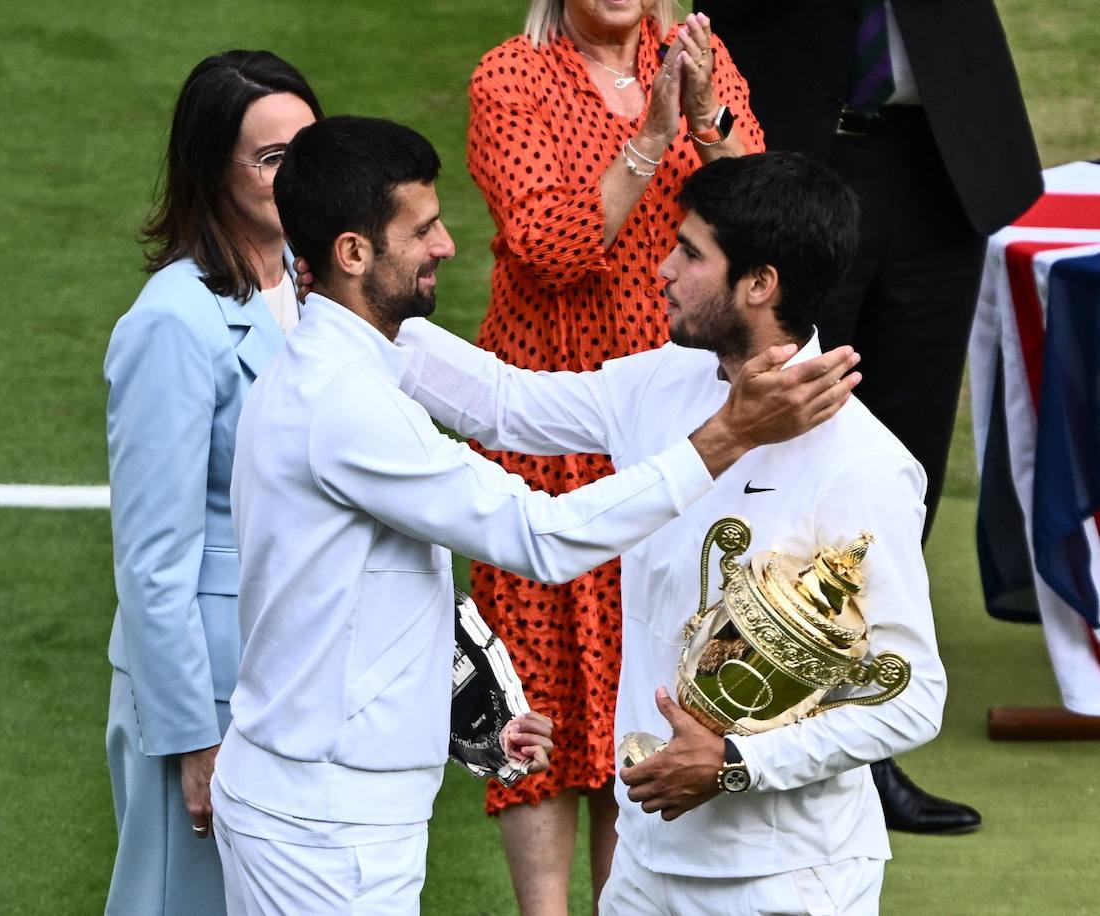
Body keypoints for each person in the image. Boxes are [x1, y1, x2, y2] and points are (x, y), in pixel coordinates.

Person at [210, 117, 860, 915]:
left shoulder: (365, 351)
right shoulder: (344, 401)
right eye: (424, 229)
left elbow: (502, 403)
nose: (448, 245)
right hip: (324, 824)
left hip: (335, 807)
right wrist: (728, 435)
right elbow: (538, 536)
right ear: (353, 254)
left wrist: (450, 717)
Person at [396, 151, 944, 914]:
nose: (660, 269)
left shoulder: (864, 465)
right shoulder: (661, 382)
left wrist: (735, 761)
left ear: (760, 284)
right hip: (645, 869)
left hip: (788, 883)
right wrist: (349, 310)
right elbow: (501, 402)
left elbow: (910, 698)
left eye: (689, 252)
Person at [692, 0, 1042, 836]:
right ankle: (744, 711)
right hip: (794, 147)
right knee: (787, 434)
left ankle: (858, 734)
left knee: (902, 450)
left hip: (940, 158)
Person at [464, 1, 762, 904]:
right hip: (551, 415)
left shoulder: (704, 60)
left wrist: (706, 119)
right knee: (543, 688)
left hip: (673, 411)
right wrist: (649, 138)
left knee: (652, 669)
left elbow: (767, 215)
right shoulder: (509, 76)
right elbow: (550, 249)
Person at [100, 50, 321, 916]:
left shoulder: (314, 287)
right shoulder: (171, 323)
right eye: (269, 159)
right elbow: (154, 560)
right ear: (209, 169)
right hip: (210, 696)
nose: (294, 174)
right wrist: (195, 740)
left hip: (290, 677)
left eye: (308, 149)